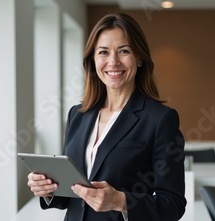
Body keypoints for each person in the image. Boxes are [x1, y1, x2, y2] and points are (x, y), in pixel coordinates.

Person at [26, 13, 186, 221]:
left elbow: (173, 204)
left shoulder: (161, 119)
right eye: (103, 52)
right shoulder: (78, 115)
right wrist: (47, 189)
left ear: (139, 58)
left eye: (124, 51)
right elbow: (71, 195)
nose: (113, 61)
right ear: (93, 60)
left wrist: (120, 201)